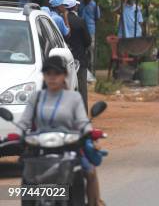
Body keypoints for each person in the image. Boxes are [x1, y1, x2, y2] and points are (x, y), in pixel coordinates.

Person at [18, 56, 105, 205]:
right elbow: (23, 122)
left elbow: (83, 122)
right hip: (40, 150)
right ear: (43, 75)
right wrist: (17, 133)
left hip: (68, 148)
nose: (52, 77)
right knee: (27, 175)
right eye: (48, 73)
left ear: (64, 75)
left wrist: (90, 132)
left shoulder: (74, 98)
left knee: (89, 171)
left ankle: (94, 202)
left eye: (56, 73)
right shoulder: (36, 98)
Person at [63, 0, 91, 108]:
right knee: (82, 88)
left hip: (64, 60)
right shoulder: (80, 21)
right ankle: (82, 113)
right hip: (79, 58)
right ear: (75, 7)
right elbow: (87, 41)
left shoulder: (61, 20)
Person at [79, 0, 100, 79]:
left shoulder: (94, 5)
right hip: (81, 30)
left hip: (91, 30)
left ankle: (92, 70)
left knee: (91, 50)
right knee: (82, 50)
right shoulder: (80, 4)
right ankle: (83, 71)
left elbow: (97, 17)